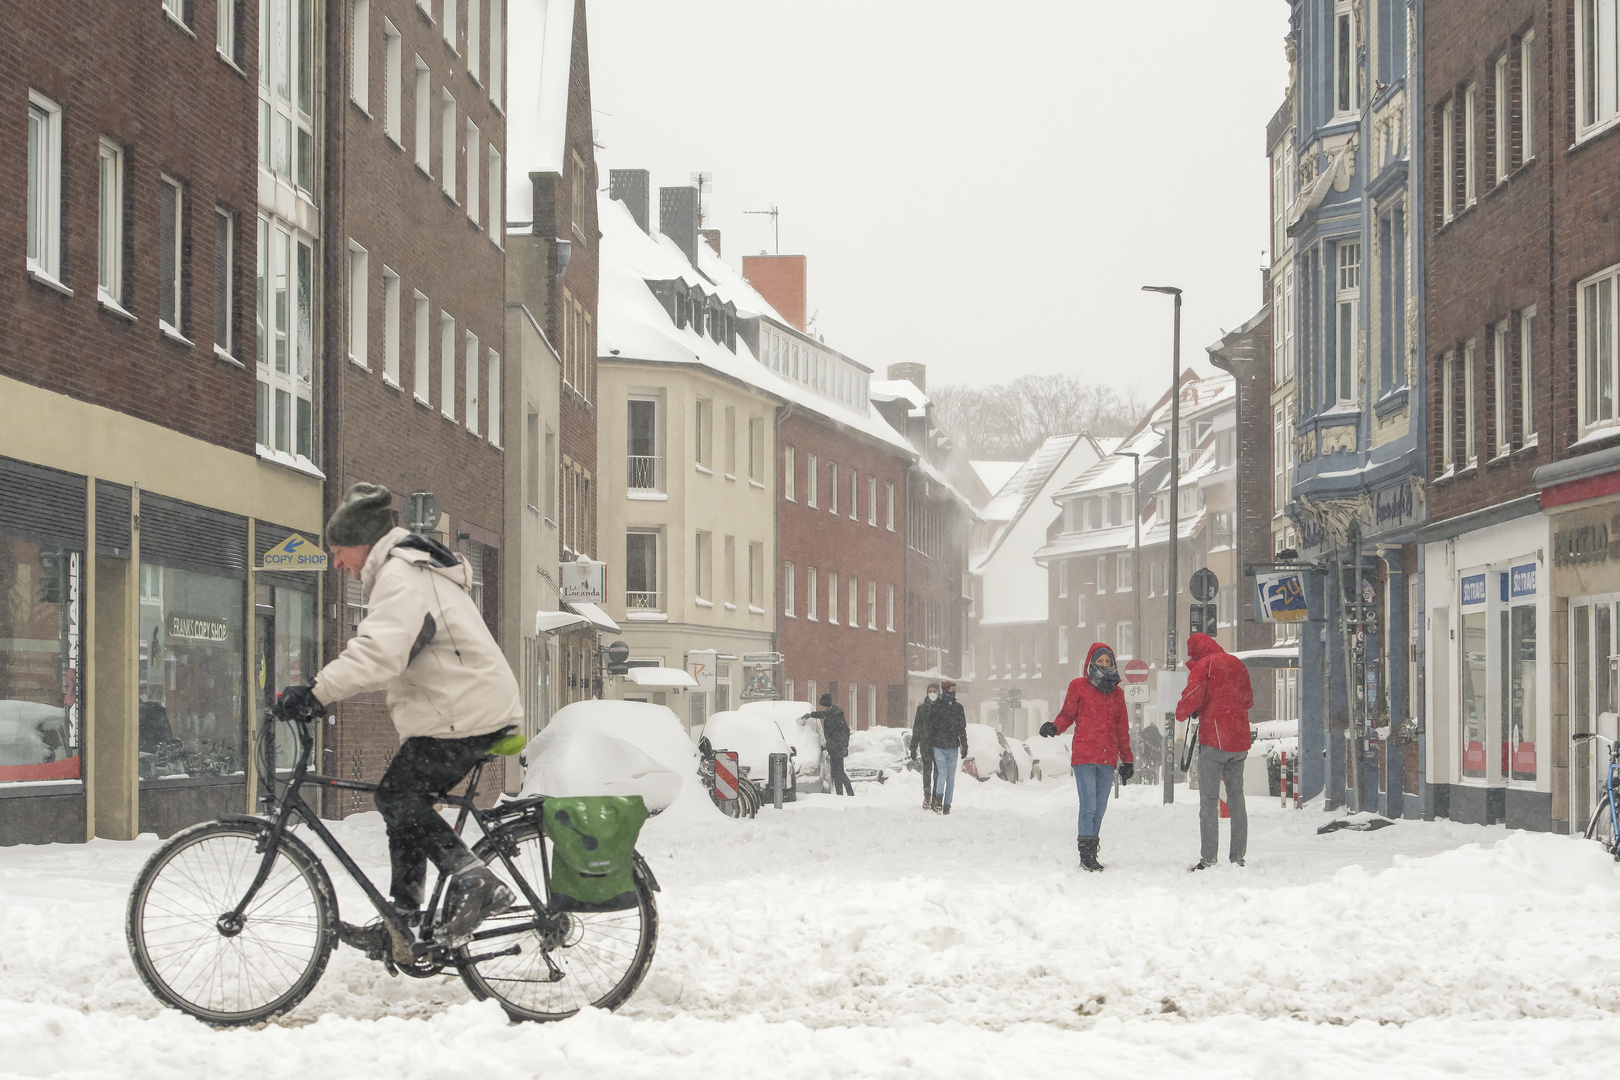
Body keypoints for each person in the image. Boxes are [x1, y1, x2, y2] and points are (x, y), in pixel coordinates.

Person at [276, 483, 524, 964]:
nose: (336, 562)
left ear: (363, 543)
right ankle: (403, 921)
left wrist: (316, 693)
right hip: (460, 710)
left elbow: (379, 653)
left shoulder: (401, 577)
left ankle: (474, 878)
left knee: (397, 797)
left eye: (338, 550)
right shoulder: (405, 572)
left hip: (467, 712)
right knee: (401, 806)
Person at [1041, 643, 1133, 872]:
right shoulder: (1078, 686)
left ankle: (1092, 848)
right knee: (1089, 805)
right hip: (1084, 755)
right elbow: (1067, 715)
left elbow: (1122, 728)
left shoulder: (1117, 693)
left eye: (1107, 661)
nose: (1104, 665)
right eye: (1100, 661)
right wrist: (1055, 726)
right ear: (1091, 662)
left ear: (1112, 664)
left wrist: (1127, 759)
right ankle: (1086, 854)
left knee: (1100, 807)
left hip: (1108, 757)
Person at [1175, 632, 1255, 870]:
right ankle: (1238, 857)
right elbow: (1248, 700)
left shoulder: (1205, 665)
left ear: (1197, 652)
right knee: (1237, 800)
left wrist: (1183, 711)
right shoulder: (1236, 663)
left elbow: (1190, 698)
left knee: (1209, 802)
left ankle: (1209, 859)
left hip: (1215, 742)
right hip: (1239, 743)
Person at [926, 680, 969, 814]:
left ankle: (947, 805)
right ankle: (938, 798)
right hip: (939, 746)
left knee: (951, 777)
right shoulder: (937, 706)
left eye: (955, 690)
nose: (953, 692)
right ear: (945, 690)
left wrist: (964, 744)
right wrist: (930, 743)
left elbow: (962, 728)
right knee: (943, 773)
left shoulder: (958, 708)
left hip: (952, 746)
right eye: (951, 690)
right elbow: (931, 727)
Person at [813, 693, 854, 796]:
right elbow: (823, 714)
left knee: (838, 771)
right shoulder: (831, 712)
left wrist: (844, 746)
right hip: (834, 747)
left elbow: (845, 731)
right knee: (836, 772)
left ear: (825, 705)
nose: (821, 707)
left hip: (837, 748)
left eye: (821, 705)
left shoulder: (836, 714)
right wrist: (812, 714)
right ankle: (841, 793)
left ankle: (849, 793)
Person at [910, 684, 939, 808]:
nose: (932, 693)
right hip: (926, 745)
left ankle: (936, 797)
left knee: (938, 772)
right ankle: (927, 797)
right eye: (930, 691)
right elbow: (917, 728)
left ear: (939, 692)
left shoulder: (942, 708)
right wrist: (913, 747)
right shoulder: (921, 709)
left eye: (934, 691)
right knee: (927, 771)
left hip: (939, 745)